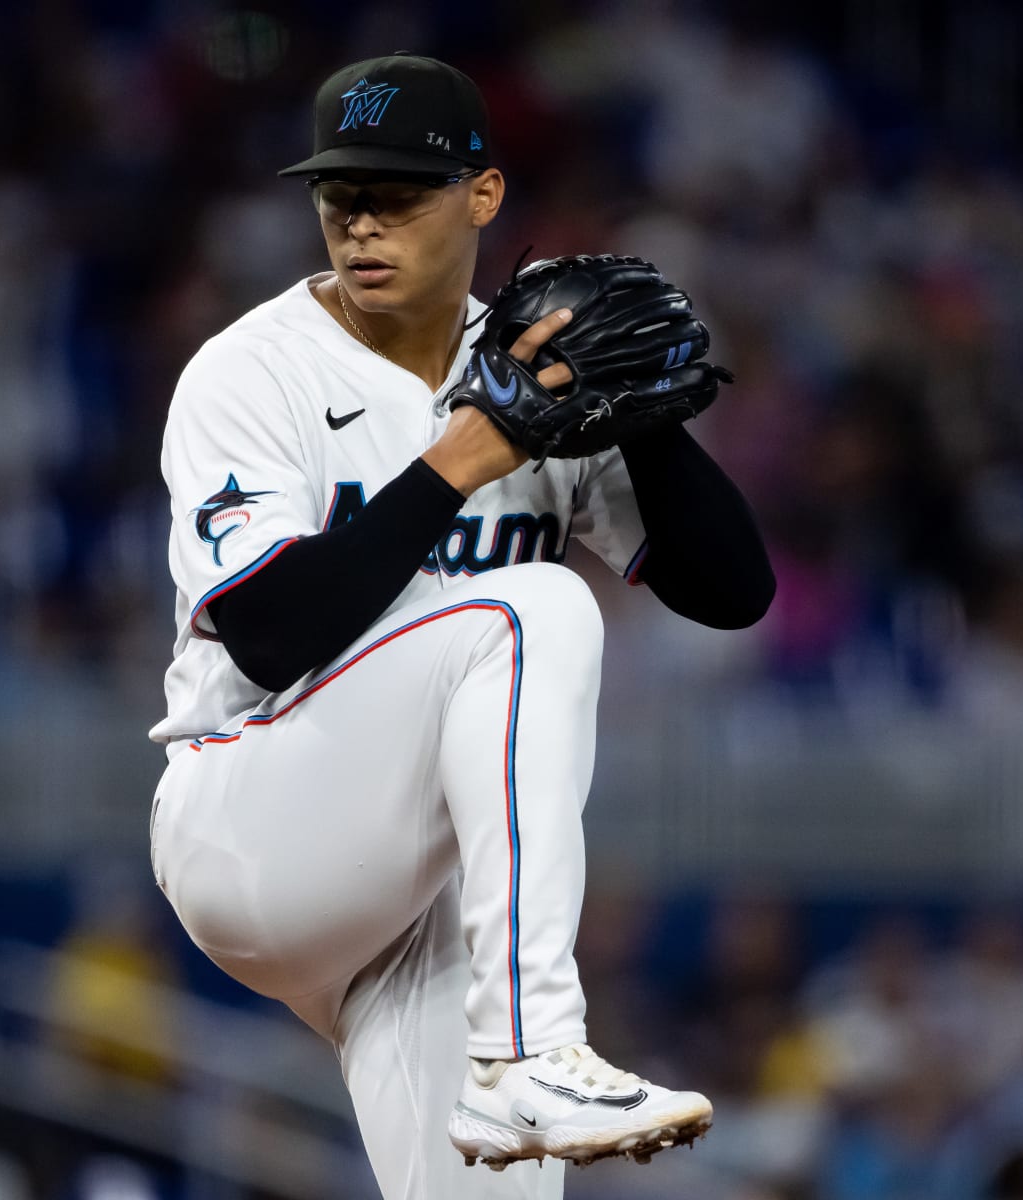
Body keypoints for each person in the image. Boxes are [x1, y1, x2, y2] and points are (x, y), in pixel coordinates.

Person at [148, 52, 775, 1198]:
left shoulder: (529, 361)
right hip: (252, 815)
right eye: (341, 198)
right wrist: (469, 455)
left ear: (482, 196)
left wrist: (644, 419)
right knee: (532, 605)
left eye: (397, 195)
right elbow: (268, 634)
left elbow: (733, 593)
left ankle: (518, 1056)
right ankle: (534, 1049)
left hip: (413, 893)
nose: (362, 225)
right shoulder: (250, 373)